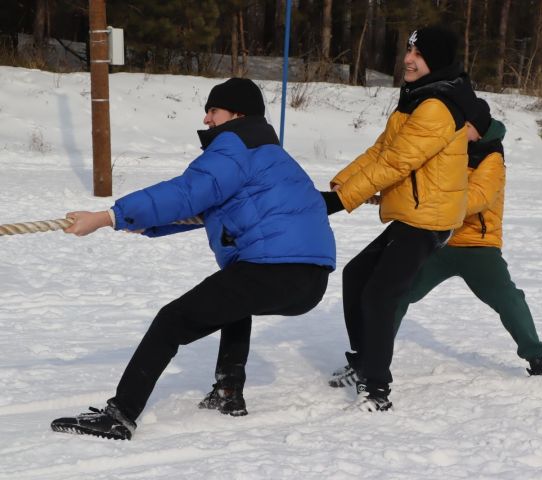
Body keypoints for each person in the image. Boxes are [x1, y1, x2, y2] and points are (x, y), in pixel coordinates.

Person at [50, 78, 336, 440]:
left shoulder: (234, 145)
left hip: (272, 269)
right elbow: (214, 208)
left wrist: (109, 216)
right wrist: (148, 224)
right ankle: (228, 391)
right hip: (310, 282)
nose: (206, 119)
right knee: (235, 296)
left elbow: (188, 193)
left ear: (237, 114)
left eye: (213, 110)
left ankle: (120, 415)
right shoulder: (272, 154)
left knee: (172, 320)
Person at [321, 26, 476, 412]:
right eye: (408, 51)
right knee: (357, 276)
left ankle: (376, 388)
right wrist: (341, 185)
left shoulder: (436, 107)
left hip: (428, 218)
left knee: (379, 295)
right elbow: (381, 150)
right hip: (414, 213)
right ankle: (364, 362)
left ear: (434, 61)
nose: (408, 59)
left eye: (418, 54)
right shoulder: (418, 98)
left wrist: (341, 201)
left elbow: (396, 162)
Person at [393, 102, 542, 378]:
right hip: (440, 242)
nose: (456, 129)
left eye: (464, 126)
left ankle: (537, 358)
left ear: (478, 131)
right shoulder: (447, 149)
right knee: (396, 291)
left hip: (478, 246)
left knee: (508, 299)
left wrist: (432, 203)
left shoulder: (492, 159)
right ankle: (368, 356)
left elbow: (478, 198)